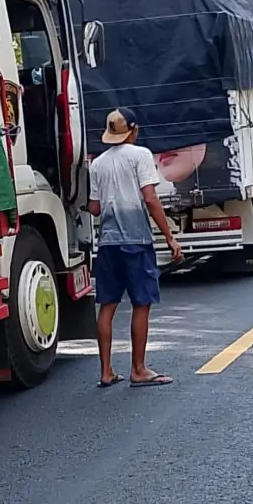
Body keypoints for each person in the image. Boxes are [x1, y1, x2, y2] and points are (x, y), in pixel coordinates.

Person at [89, 107, 183, 388]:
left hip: (107, 243)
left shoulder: (97, 164)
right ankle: (138, 369)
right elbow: (151, 199)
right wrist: (169, 236)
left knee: (107, 306)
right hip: (136, 241)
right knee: (141, 303)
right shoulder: (141, 155)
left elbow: (94, 208)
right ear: (134, 130)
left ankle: (106, 372)